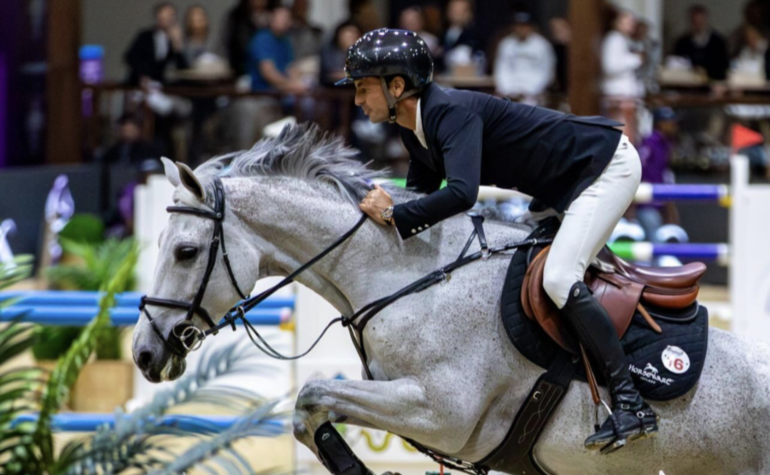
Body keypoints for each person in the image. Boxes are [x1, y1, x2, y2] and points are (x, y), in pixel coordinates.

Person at [338, 28, 657, 453]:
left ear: (397, 86)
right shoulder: (414, 128)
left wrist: (393, 212)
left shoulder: (448, 113)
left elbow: (461, 194)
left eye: (363, 87)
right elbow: (422, 204)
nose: (357, 100)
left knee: (559, 279)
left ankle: (633, 403)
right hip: (559, 186)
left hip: (602, 168)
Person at [635, 108, 681, 242]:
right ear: (661, 123)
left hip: (660, 200)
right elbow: (639, 169)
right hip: (646, 201)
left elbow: (665, 175)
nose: (674, 126)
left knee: (658, 239)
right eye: (671, 122)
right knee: (654, 243)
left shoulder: (666, 143)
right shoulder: (650, 143)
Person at [493, 12, 555, 103]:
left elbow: (546, 72)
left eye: (524, 26)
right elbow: (502, 69)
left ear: (531, 27)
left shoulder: (542, 45)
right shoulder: (506, 44)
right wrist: (506, 89)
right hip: (510, 90)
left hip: (533, 91)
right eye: (518, 25)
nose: (521, 29)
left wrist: (531, 90)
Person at [123, 2, 188, 86]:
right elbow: (130, 57)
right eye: (164, 14)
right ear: (157, 16)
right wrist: (143, 74)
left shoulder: (172, 41)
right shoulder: (145, 36)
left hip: (159, 84)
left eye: (171, 15)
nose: (168, 18)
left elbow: (182, 68)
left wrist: (177, 44)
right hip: (139, 83)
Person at [247, 5, 306, 93]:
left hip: (283, 91)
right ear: (272, 18)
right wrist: (289, 84)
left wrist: (296, 80)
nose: (286, 21)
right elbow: (268, 73)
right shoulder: (262, 39)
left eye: (288, 18)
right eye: (282, 17)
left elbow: (291, 66)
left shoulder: (285, 40)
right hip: (263, 91)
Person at [673, 5, 730, 82]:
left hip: (712, 84)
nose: (698, 25)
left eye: (701, 21)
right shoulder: (682, 42)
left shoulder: (718, 42)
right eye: (695, 22)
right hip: (687, 84)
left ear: (706, 21)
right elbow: (676, 64)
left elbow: (723, 66)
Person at [222, 0, 273, 77]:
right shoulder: (236, 16)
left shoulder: (277, 15)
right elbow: (228, 45)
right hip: (242, 71)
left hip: (273, 70)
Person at [601, 9, 643, 99]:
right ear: (618, 22)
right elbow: (610, 67)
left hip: (623, 93)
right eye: (628, 22)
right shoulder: (613, 39)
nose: (632, 25)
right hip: (617, 93)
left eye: (632, 22)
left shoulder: (624, 39)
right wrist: (635, 59)